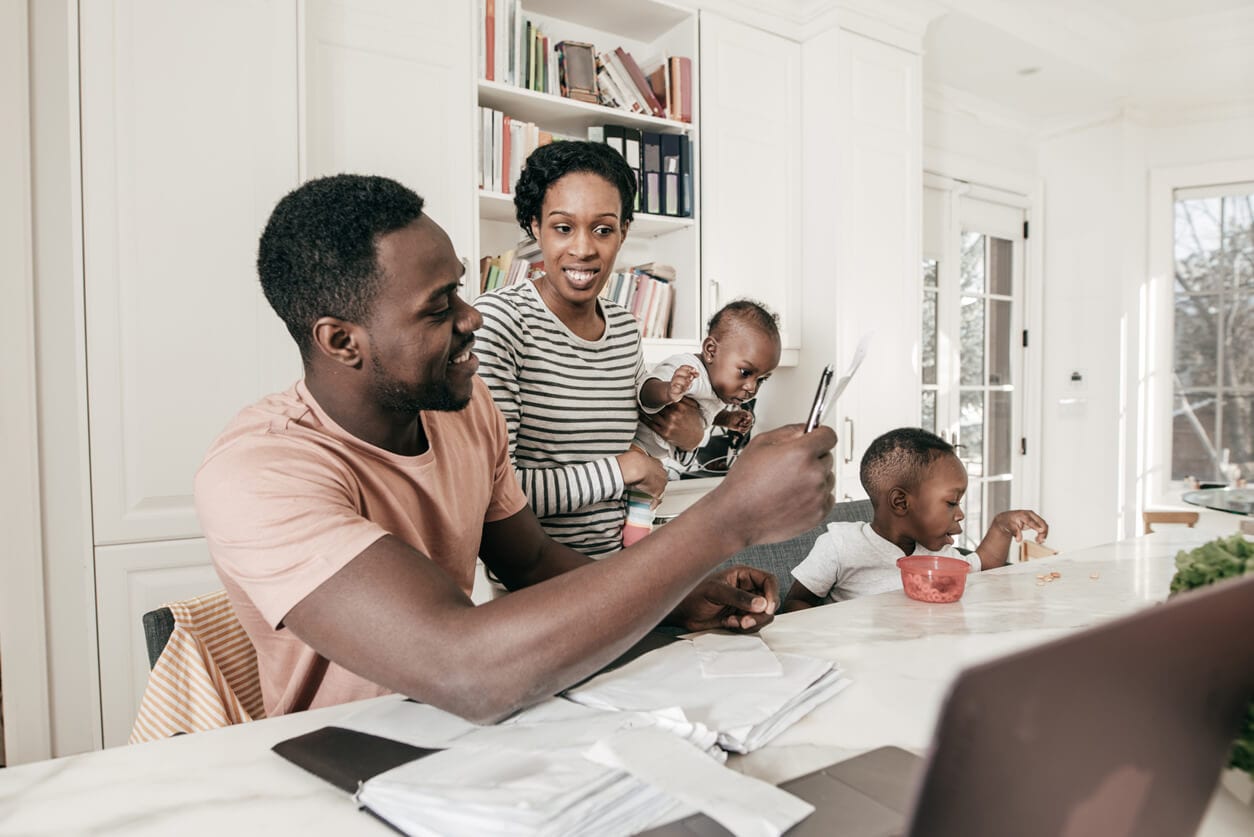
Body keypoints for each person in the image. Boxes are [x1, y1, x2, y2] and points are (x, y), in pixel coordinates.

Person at [194, 174, 837, 724]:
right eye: (438, 307)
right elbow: (462, 667)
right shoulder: (258, 471)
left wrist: (681, 596)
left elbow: (530, 561)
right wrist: (729, 518)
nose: (471, 317)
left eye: (461, 290)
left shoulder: (468, 413)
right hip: (347, 759)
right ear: (341, 342)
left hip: (473, 736)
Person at [474, 141, 704, 557]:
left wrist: (689, 439)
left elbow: (650, 454)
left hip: (620, 570)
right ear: (533, 225)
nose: (583, 249)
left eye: (603, 229)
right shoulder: (499, 322)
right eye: (563, 227)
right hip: (532, 585)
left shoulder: (624, 329)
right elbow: (493, 492)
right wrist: (622, 470)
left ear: (624, 231)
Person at [782, 427, 1048, 611]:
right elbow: (796, 604)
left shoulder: (941, 556)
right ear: (901, 503)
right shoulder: (841, 545)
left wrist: (1001, 526)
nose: (960, 514)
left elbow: (985, 565)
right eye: (951, 502)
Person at [633, 299, 781, 462]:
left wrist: (726, 419)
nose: (752, 387)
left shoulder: (716, 390)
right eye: (745, 372)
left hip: (650, 459)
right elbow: (644, 391)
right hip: (632, 449)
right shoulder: (689, 370)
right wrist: (667, 390)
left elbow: (703, 413)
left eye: (761, 380)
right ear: (711, 351)